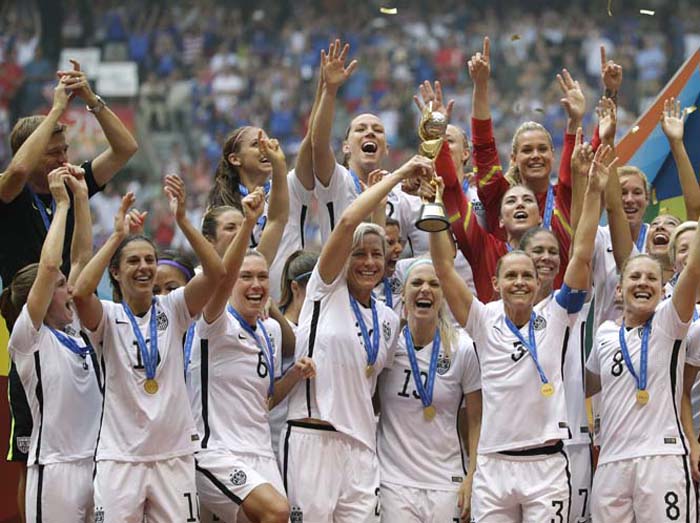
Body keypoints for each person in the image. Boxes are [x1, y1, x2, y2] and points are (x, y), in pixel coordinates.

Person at [430, 142, 613, 522]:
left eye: (527, 275)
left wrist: (592, 191)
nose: (519, 282)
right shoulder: (482, 319)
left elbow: (579, 253)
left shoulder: (559, 314)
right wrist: (434, 212)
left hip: (546, 465)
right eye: (510, 275)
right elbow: (445, 270)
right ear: (494, 283)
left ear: (539, 280)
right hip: (494, 465)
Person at [1, 63, 137, 519]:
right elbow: (17, 170)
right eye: (53, 150)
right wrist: (57, 104)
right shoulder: (11, 192)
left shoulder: (72, 180)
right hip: (31, 325)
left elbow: (125, 148)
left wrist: (92, 101)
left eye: (64, 148)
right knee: (31, 448)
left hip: (74, 314)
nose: (63, 157)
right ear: (32, 150)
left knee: (81, 428)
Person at [283, 155, 431, 521]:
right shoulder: (324, 290)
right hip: (313, 437)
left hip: (362, 448)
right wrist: (397, 176)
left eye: (376, 255)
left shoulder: (386, 317)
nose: (368, 262)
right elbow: (349, 221)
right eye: (359, 254)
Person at [72, 175, 224, 522]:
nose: (144, 267)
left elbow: (216, 273)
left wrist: (183, 220)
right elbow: (81, 293)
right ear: (117, 270)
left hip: (173, 457)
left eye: (149, 260)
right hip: (120, 459)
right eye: (134, 261)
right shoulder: (107, 317)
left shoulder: (173, 307)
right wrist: (116, 237)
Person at [192, 188, 314, 523]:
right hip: (217, 451)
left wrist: (294, 374)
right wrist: (247, 223)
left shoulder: (270, 330)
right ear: (231, 284)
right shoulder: (214, 322)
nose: (256, 284)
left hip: (261, 452)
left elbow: (268, 398)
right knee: (276, 511)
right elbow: (220, 276)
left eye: (262, 277)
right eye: (246, 277)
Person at [0, 166, 99, 522]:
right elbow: (50, 264)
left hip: (97, 463)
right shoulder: (29, 336)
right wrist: (61, 206)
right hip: (56, 469)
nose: (69, 287)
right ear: (36, 299)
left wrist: (82, 196)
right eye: (60, 285)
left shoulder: (77, 328)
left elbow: (80, 259)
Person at [586, 217, 700, 521]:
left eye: (652, 278)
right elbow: (584, 385)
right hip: (611, 462)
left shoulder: (670, 322)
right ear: (619, 291)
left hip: (662, 459)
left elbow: (694, 270)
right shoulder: (605, 334)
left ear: (664, 291)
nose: (643, 283)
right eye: (634, 277)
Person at [467, 37, 579, 289]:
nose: (536, 155)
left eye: (542, 149)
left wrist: (574, 122)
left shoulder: (564, 197)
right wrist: (481, 86)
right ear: (514, 158)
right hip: (504, 310)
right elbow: (483, 146)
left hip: (555, 313)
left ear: (553, 154)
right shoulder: (499, 196)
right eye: (527, 150)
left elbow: (575, 169)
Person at [376, 258, 481, 522]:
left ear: (443, 295)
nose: (425, 289)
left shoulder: (462, 349)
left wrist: (472, 476)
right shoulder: (388, 346)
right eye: (417, 283)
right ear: (403, 295)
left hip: (446, 480)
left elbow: (476, 420)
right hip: (393, 480)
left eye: (434, 283)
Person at [519, 226, 593, 522]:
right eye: (538, 250)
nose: (546, 257)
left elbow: (582, 254)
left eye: (553, 252)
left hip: (570, 440)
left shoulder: (569, 306)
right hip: (514, 448)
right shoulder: (495, 313)